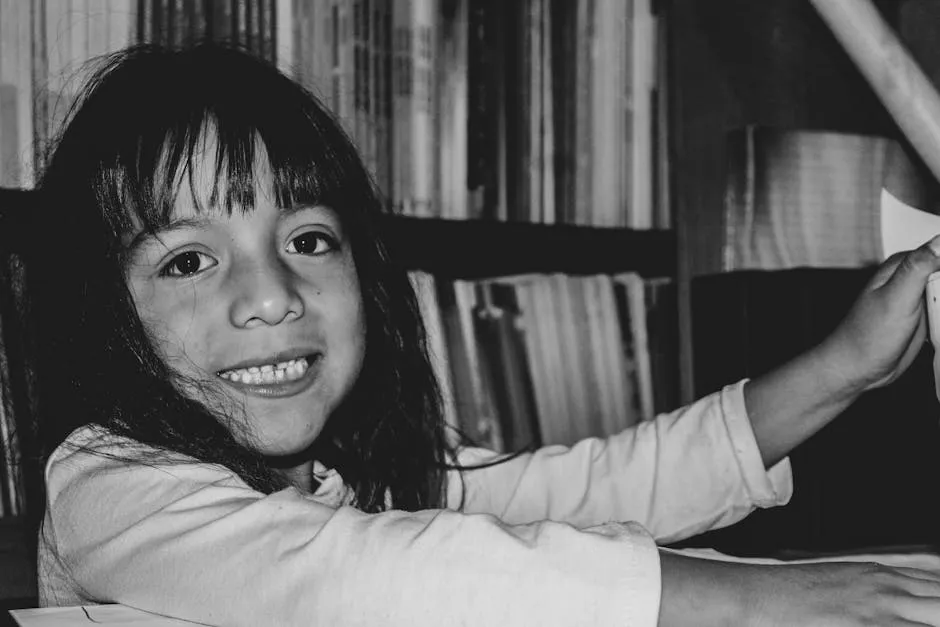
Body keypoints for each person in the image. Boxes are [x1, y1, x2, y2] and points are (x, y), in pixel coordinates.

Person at [27, 41, 940, 626]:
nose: (271, 297)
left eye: (308, 240)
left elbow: (585, 488)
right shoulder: (104, 485)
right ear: (101, 314)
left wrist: (844, 367)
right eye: (188, 260)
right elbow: (356, 577)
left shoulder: (353, 476)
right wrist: (744, 600)